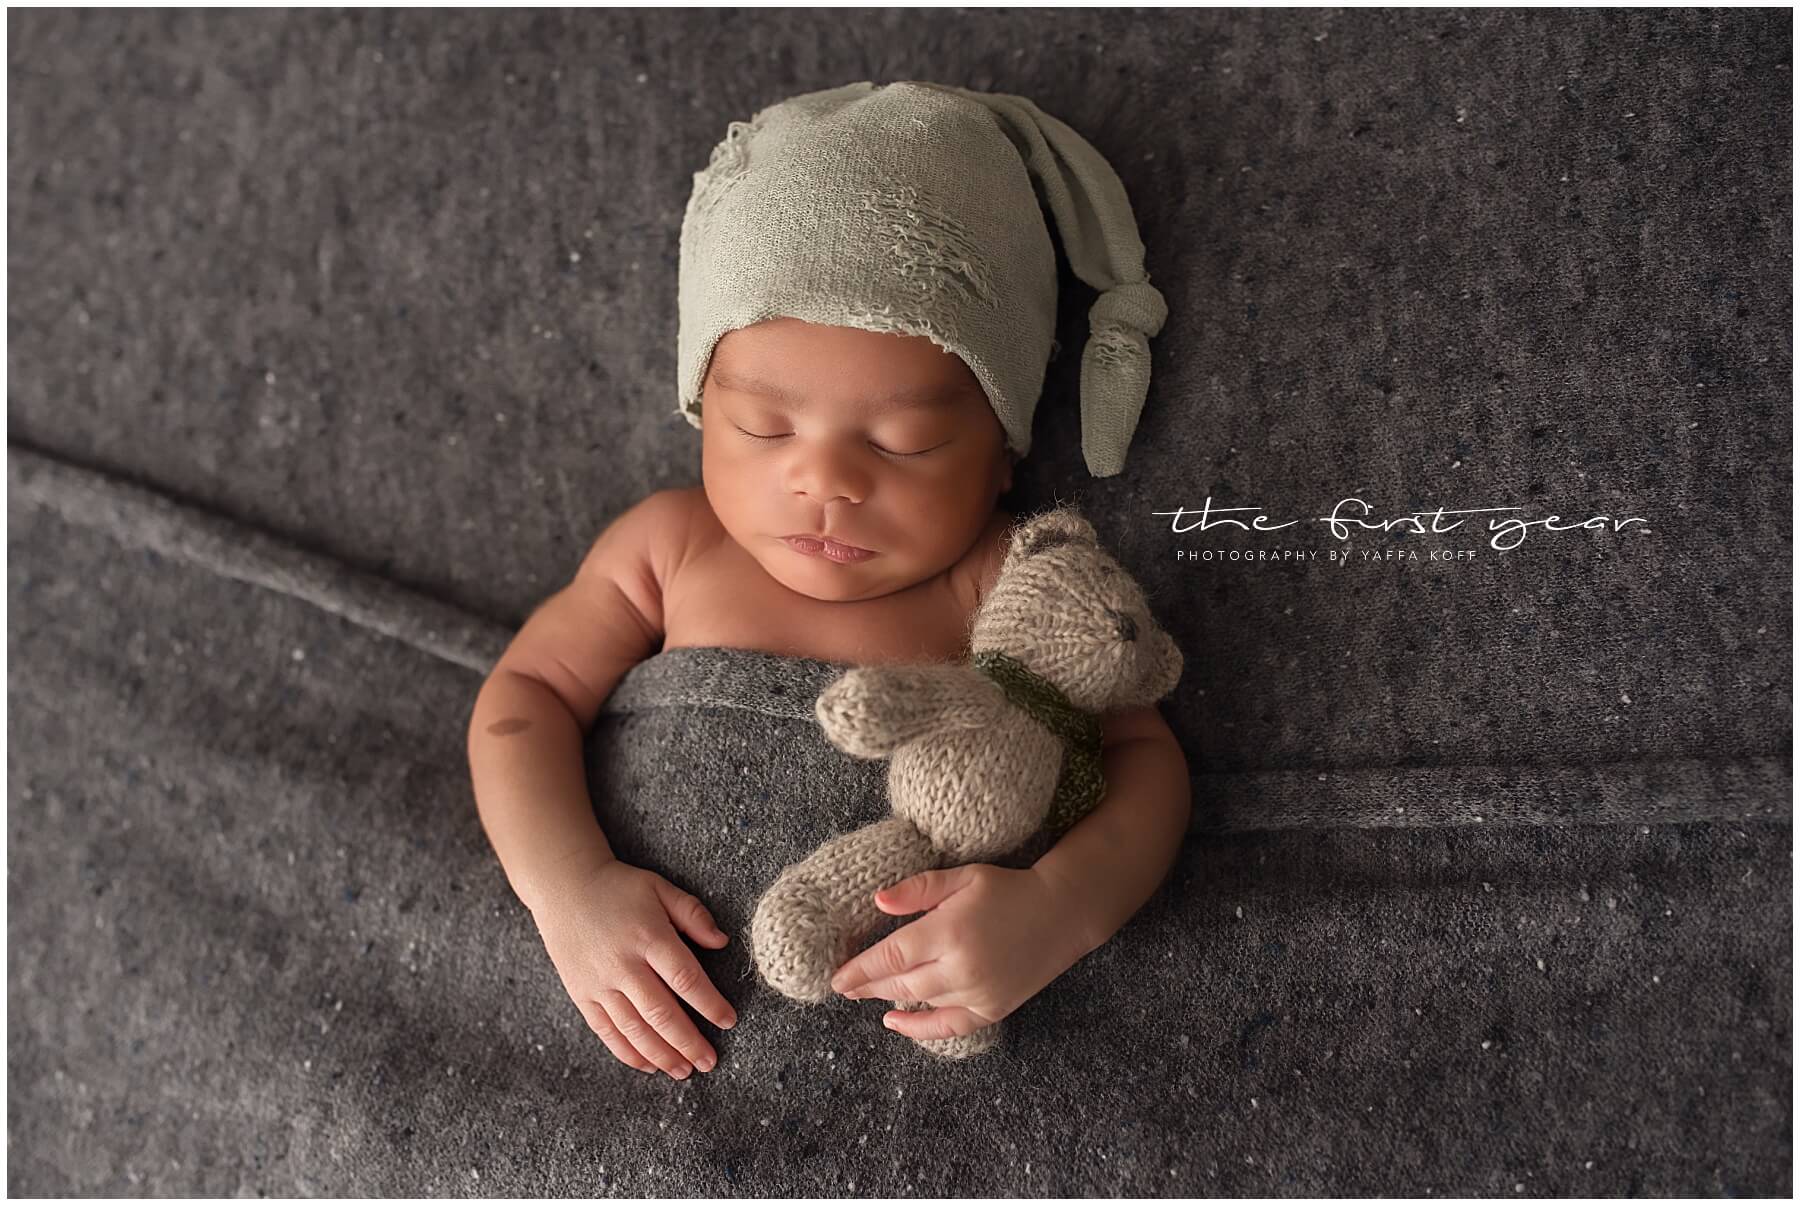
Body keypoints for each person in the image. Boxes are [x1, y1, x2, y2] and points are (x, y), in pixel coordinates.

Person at [466, 80, 1189, 1081]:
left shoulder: (1009, 583)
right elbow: (527, 695)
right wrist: (569, 889)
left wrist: (1059, 909)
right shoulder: (669, 546)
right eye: (763, 428)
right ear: (702, 410)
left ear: (1003, 454)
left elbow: (1147, 763)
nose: (827, 482)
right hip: (635, 1032)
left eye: (906, 441)